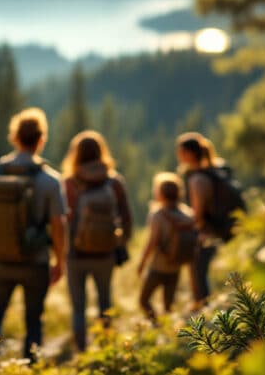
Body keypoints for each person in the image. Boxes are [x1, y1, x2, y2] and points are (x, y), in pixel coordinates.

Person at [0, 108, 67, 360]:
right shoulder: (50, 180)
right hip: (35, 262)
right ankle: (30, 364)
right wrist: (60, 260)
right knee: (34, 320)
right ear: (41, 139)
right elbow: (58, 225)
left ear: (14, 137)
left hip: (1, 261)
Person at [61, 130, 133, 351]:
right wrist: (120, 244)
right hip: (105, 254)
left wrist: (60, 249)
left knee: (78, 308)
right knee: (105, 303)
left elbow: (63, 220)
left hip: (76, 254)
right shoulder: (114, 182)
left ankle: (81, 353)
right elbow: (127, 218)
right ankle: (107, 350)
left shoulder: (70, 183)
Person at [137, 172, 195, 322]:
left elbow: (153, 242)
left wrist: (142, 263)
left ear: (160, 194)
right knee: (169, 306)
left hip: (158, 266)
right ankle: (168, 334)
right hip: (176, 266)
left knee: (144, 301)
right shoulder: (187, 214)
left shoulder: (158, 215)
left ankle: (157, 326)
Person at [177, 131, 223, 308]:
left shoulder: (197, 179)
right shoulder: (209, 173)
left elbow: (197, 214)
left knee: (198, 277)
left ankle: (205, 317)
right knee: (201, 276)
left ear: (189, 153)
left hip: (204, 235)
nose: (178, 156)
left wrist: (181, 223)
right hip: (212, 232)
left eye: (180, 152)